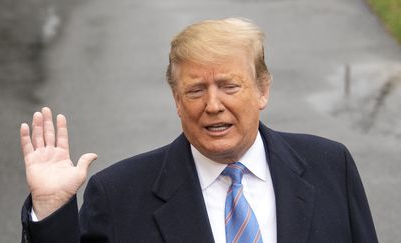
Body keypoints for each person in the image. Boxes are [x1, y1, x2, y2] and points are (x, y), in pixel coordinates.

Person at [20, 18, 378, 243]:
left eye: (229, 86)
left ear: (263, 90)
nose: (212, 104)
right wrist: (51, 211)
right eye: (195, 90)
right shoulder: (118, 195)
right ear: (177, 100)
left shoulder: (331, 166)